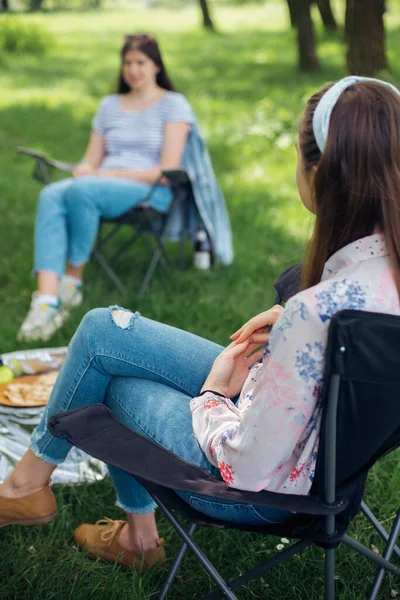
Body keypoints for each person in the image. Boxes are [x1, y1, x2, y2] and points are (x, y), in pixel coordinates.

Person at [3, 76, 400, 571]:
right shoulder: (362, 291)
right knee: (104, 329)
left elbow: (249, 465)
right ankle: (42, 493)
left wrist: (214, 394)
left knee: (107, 378)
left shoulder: (315, 314)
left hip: (263, 491)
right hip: (318, 453)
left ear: (318, 174)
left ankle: (113, 527)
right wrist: (287, 321)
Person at [17, 33, 233, 343]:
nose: (133, 69)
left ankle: (72, 282)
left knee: (82, 192)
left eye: (140, 62)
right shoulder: (109, 106)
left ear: (156, 66)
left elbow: (167, 170)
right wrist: (86, 169)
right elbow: (90, 161)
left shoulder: (173, 105)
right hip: (102, 184)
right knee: (50, 194)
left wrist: (106, 174)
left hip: (151, 189)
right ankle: (46, 298)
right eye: (128, 62)